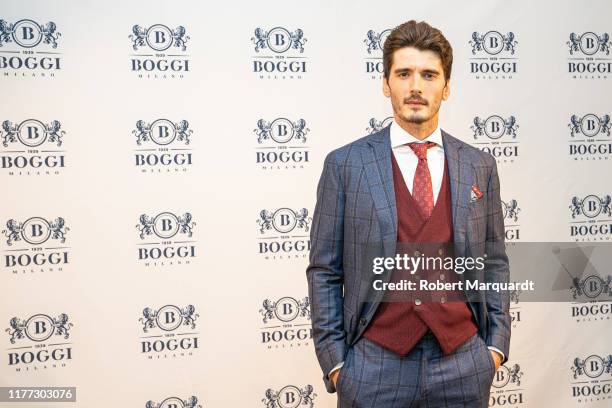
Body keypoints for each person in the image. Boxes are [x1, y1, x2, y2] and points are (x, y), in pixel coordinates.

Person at [306, 20, 511, 407]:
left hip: (464, 363)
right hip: (373, 367)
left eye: (429, 75)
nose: (416, 86)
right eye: (404, 73)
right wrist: (336, 362)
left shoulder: (479, 165)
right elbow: (324, 271)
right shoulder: (346, 165)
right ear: (386, 84)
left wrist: (495, 347)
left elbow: (495, 261)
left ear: (446, 87)